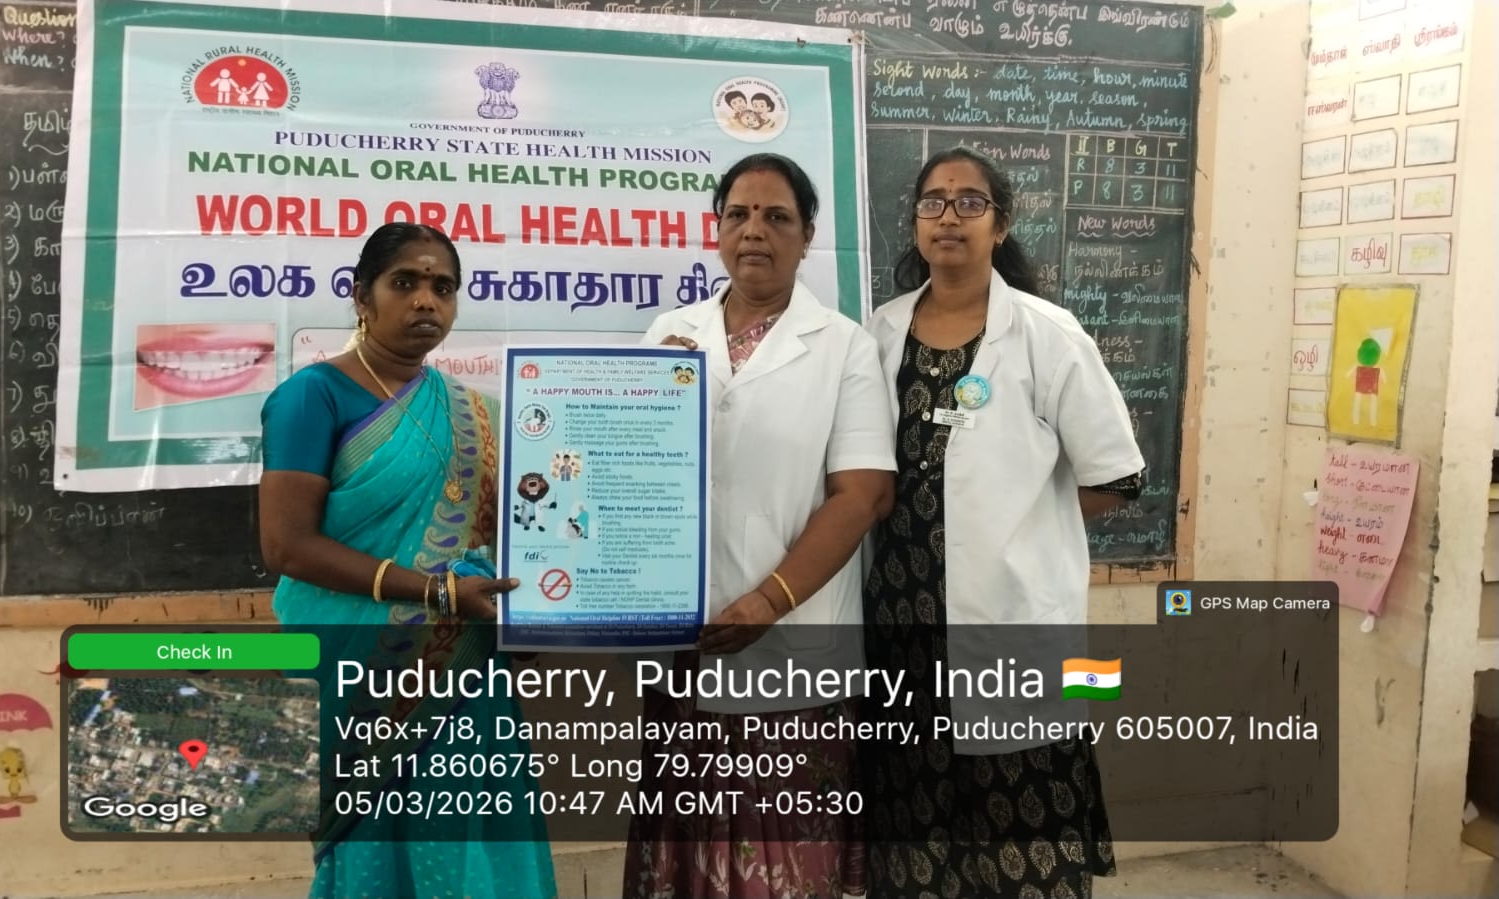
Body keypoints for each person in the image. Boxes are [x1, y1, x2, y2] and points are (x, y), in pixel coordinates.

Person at [860, 146, 1146, 898]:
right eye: (932, 202)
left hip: (1011, 619)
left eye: (969, 202)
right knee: (915, 837)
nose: (948, 217)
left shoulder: (1048, 334)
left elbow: (1118, 477)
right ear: (915, 222)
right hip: (901, 627)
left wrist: (1023, 523)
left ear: (1001, 223)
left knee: (1023, 838)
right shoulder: (881, 332)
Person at [623, 153, 896, 899]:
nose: (754, 231)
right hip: (683, 642)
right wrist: (649, 397)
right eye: (738, 214)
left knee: (783, 865)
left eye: (777, 217)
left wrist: (769, 599)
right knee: (688, 856)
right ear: (716, 229)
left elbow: (862, 495)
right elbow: (627, 476)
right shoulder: (668, 333)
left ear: (807, 237)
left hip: (795, 648)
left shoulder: (844, 346)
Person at [258, 222, 557, 899]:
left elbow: (515, 538)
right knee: (374, 839)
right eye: (406, 283)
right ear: (361, 295)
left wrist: (535, 614)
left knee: (464, 835)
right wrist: (436, 593)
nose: (427, 300)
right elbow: (286, 545)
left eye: (443, 288)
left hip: (463, 666)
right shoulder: (313, 396)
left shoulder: (477, 413)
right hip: (360, 664)